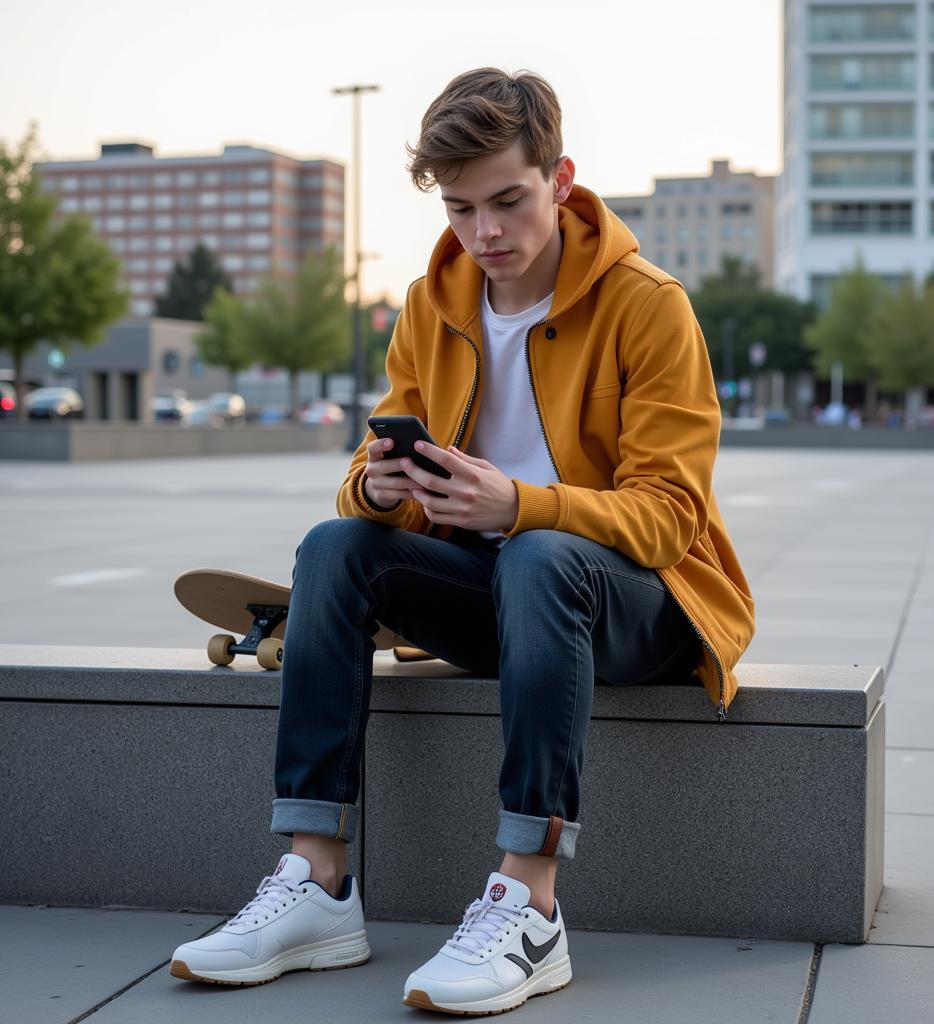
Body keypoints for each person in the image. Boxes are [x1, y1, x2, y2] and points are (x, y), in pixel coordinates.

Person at [170, 66, 755, 1015]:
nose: (485, 233)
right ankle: (317, 883)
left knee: (538, 553)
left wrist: (520, 503)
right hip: (505, 593)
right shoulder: (430, 303)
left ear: (560, 180)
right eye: (460, 208)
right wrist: (381, 485)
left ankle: (529, 902)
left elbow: (670, 515)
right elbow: (367, 465)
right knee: (334, 546)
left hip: (641, 606)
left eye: (508, 201)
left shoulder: (648, 304)